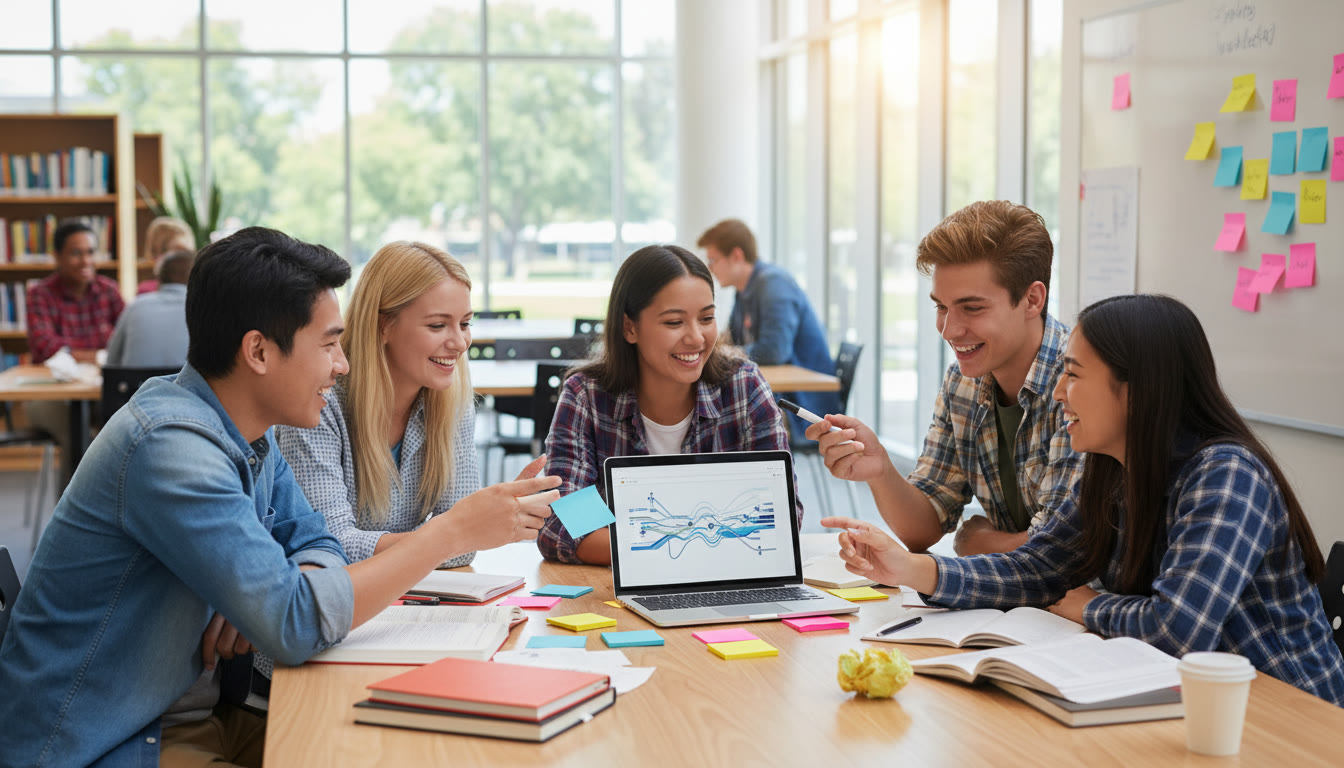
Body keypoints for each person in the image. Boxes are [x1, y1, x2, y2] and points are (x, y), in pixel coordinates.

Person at [0, 227, 559, 767]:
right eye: (329, 344)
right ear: (259, 352)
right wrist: (450, 531)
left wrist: (286, 590)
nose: (342, 365)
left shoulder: (249, 432)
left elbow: (315, 540)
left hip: (201, 713)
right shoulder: (172, 451)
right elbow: (293, 625)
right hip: (114, 741)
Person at [822, 294, 1344, 706]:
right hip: (1184, 701)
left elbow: (1176, 629)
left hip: (1287, 714)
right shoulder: (1112, 470)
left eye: (1073, 374)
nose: (1057, 392)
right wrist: (912, 569)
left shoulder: (1226, 475)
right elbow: (1037, 567)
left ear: (1135, 390)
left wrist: (1091, 605)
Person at [805, 200, 1081, 556]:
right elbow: (924, 528)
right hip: (1017, 605)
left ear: (1032, 299)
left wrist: (974, 543)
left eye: (972, 308)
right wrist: (880, 470)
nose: (948, 329)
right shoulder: (963, 383)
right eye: (941, 306)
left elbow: (1059, 552)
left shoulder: (1081, 384)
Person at [277, 241, 543, 566]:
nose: (459, 343)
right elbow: (330, 548)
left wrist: (467, 530)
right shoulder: (318, 403)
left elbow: (463, 550)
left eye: (465, 323)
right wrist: (458, 532)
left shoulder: (451, 401)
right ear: (383, 325)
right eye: (437, 325)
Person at [537, 244, 800, 565]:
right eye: (674, 322)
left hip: (721, 584)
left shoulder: (743, 386)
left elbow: (782, 517)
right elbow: (563, 526)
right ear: (629, 328)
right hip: (618, 595)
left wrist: (644, 543)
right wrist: (702, 539)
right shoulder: (586, 395)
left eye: (707, 318)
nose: (697, 338)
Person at [696, 218, 840, 437]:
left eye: (713, 260)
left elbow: (775, 351)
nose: (711, 269)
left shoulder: (774, 284)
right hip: (780, 393)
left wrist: (724, 353)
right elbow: (733, 340)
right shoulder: (745, 290)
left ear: (736, 255)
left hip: (803, 404)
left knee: (721, 415)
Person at [26, 218, 124, 364]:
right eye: (76, 253)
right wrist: (100, 355)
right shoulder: (39, 294)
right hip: (55, 382)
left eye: (90, 252)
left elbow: (128, 338)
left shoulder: (109, 290)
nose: (86, 261)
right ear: (57, 256)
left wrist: (68, 349)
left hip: (102, 380)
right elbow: (46, 347)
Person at [106, 249, 194, 368]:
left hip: (137, 385)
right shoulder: (202, 311)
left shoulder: (135, 307)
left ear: (159, 278)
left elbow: (111, 363)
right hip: (185, 385)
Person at [138, 215, 196, 294]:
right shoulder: (146, 291)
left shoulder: (198, 288)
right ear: (156, 256)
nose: (182, 258)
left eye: (186, 252)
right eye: (176, 252)